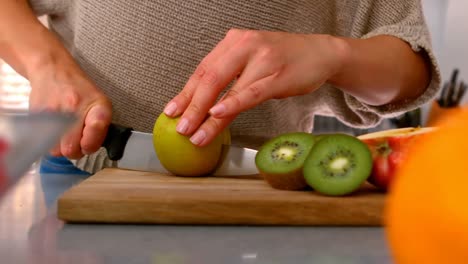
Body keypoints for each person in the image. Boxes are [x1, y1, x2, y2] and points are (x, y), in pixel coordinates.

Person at [0, 0, 440, 174]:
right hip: (76, 171)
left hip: (256, 188)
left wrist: (334, 54)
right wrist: (46, 66)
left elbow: (412, 69)